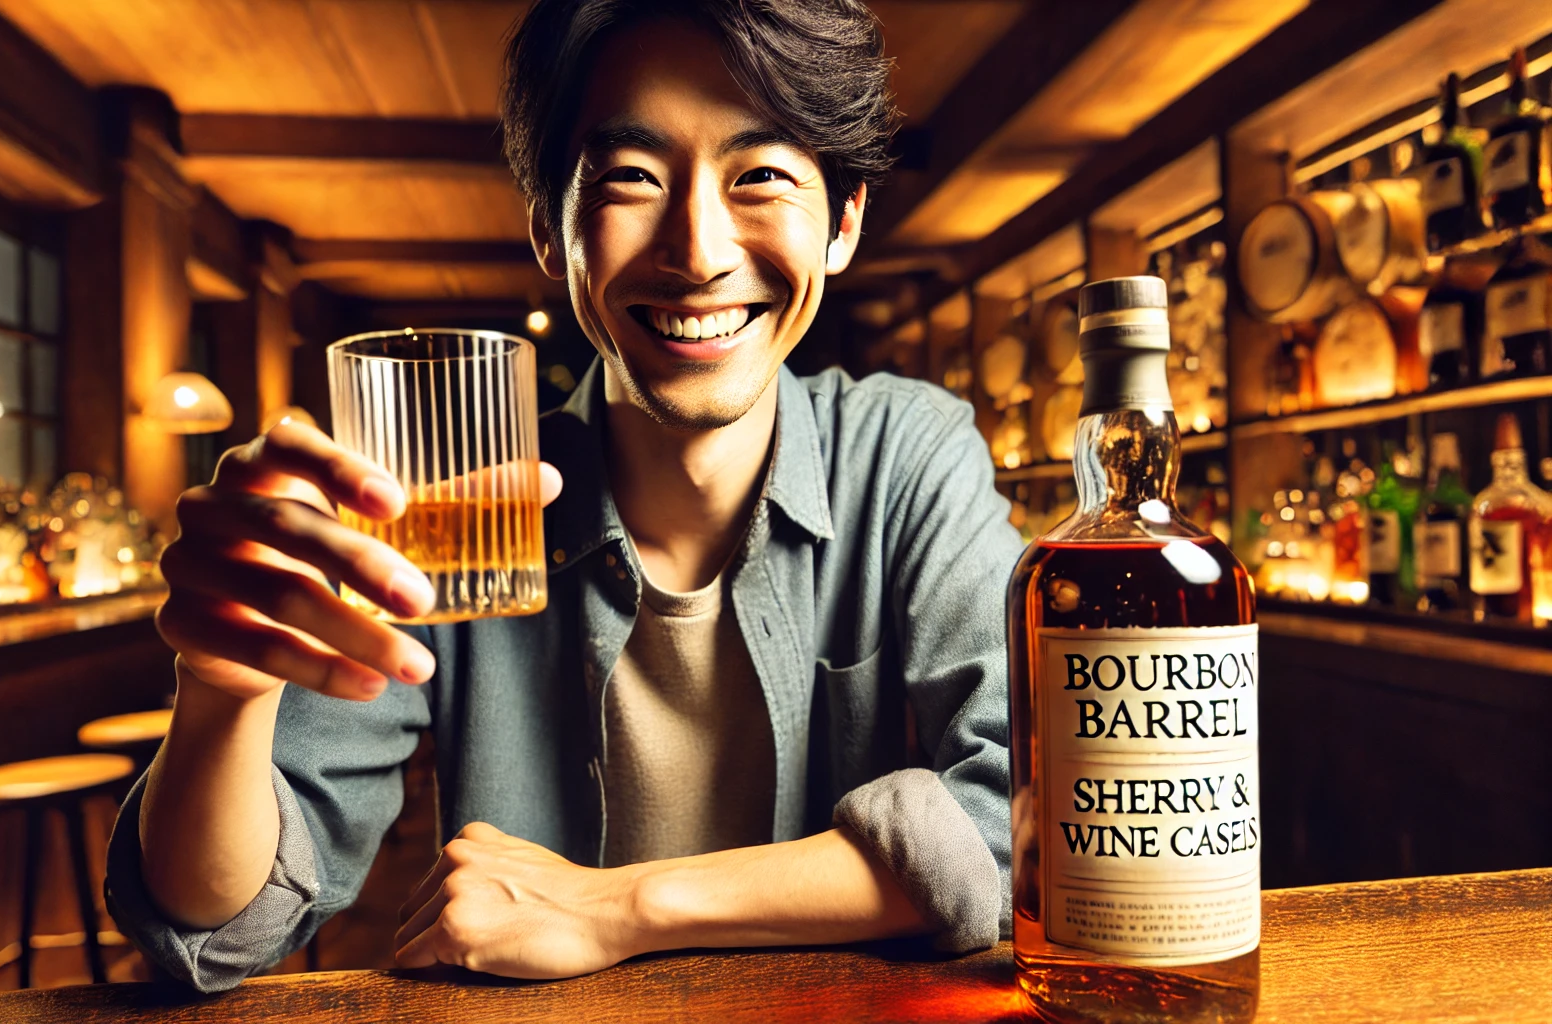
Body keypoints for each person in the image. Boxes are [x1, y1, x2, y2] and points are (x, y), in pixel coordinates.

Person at [105, 0, 1021, 992]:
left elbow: (1026, 818)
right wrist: (222, 692)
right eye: (631, 179)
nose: (700, 250)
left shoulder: (908, 451)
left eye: (759, 176)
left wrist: (618, 906)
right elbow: (223, 926)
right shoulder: (454, 510)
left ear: (842, 224)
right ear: (550, 230)